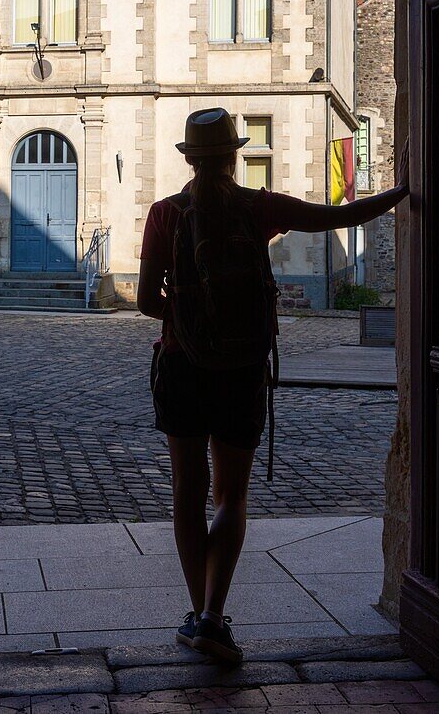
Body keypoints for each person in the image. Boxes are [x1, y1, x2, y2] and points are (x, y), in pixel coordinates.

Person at [137, 107, 409, 663]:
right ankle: (215, 613)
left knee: (187, 495)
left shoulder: (165, 214)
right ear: (234, 155)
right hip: (241, 371)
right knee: (231, 496)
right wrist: (402, 190)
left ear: (190, 159)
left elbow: (144, 301)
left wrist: (187, 315)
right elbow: (342, 216)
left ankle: (196, 615)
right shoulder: (258, 209)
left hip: (182, 367)